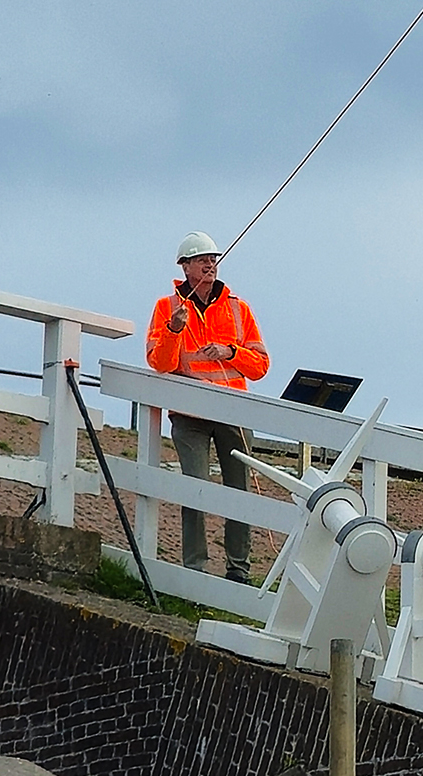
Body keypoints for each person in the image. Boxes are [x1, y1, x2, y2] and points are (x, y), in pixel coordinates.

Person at [145, 231, 269, 583]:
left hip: (233, 411)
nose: (210, 264)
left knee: (239, 491)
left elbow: (260, 366)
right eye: (202, 259)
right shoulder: (167, 308)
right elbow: (160, 363)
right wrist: (173, 330)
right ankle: (195, 569)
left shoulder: (238, 308)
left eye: (212, 258)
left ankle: (239, 570)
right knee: (194, 488)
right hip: (190, 414)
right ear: (184, 266)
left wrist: (231, 351)